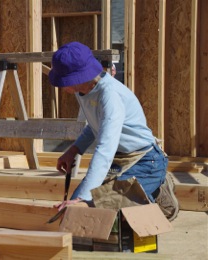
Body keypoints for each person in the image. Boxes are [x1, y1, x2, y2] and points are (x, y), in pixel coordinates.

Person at [48, 42, 179, 221]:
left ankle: (157, 191)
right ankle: (138, 191)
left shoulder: (110, 96)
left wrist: (84, 198)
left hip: (145, 161)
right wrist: (74, 150)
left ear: (77, 78)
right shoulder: (83, 92)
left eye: (63, 81)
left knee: (101, 209)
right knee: (75, 212)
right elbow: (95, 127)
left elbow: (105, 149)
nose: (61, 86)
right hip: (119, 160)